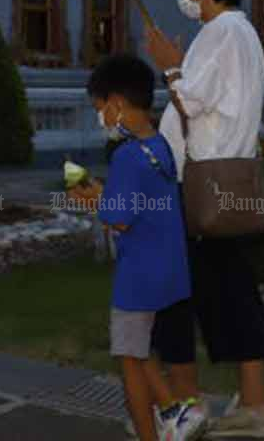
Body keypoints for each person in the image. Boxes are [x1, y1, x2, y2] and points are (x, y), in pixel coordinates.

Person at [144, 0, 264, 438]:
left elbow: (191, 102)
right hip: (229, 177)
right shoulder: (239, 34)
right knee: (231, 289)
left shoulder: (222, 31)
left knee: (186, 292)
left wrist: (168, 62)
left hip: (203, 184)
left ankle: (189, 404)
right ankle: (252, 402)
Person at [75, 53, 206, 441]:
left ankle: (158, 431)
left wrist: (91, 200)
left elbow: (118, 218)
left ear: (116, 103)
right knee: (140, 350)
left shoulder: (127, 156)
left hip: (138, 279)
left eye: (100, 109)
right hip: (169, 272)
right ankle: (174, 410)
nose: (101, 118)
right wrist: (106, 194)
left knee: (129, 361)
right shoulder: (159, 146)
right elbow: (141, 203)